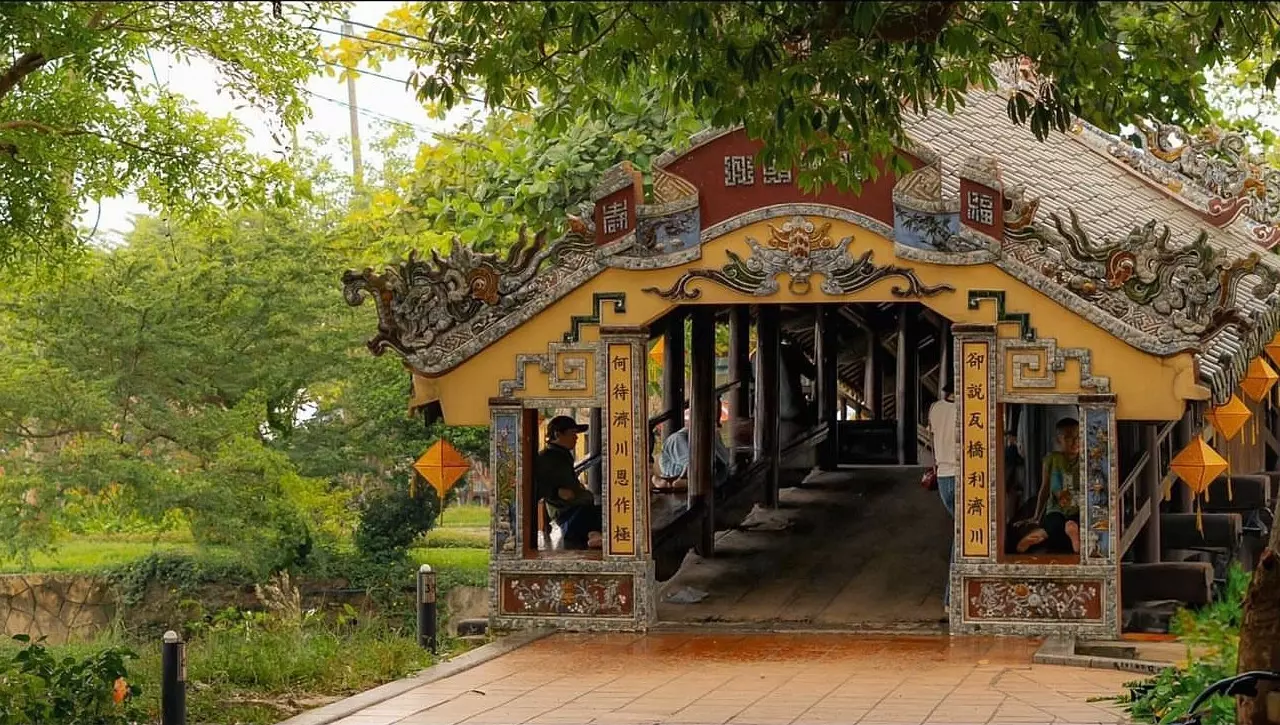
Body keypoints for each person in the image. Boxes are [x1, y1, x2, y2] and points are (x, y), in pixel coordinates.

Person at [533, 415, 602, 550]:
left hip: (577, 509)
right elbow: (534, 485)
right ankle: (593, 534)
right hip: (568, 516)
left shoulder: (562, 456)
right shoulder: (545, 458)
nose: (576, 437)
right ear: (558, 434)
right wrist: (555, 492)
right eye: (573, 433)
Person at [1015, 417, 1082, 554]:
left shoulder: (1086, 459)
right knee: (1053, 522)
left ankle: (1048, 533)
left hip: (1078, 507)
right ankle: (1040, 535)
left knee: (1055, 526)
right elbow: (1044, 488)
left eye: (1078, 436)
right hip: (1056, 507)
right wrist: (1036, 516)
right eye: (1069, 437)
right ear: (1059, 440)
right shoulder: (1051, 459)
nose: (1075, 441)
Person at [927, 385, 958, 610]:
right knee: (965, 536)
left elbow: (931, 437)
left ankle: (953, 598)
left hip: (943, 477)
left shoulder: (935, 408)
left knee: (962, 533)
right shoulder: (967, 409)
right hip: (962, 475)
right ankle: (951, 598)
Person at [658, 408, 731, 487]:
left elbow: (692, 466)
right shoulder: (711, 434)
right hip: (716, 473)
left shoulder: (677, 439)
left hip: (709, 474)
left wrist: (681, 479)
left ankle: (681, 481)